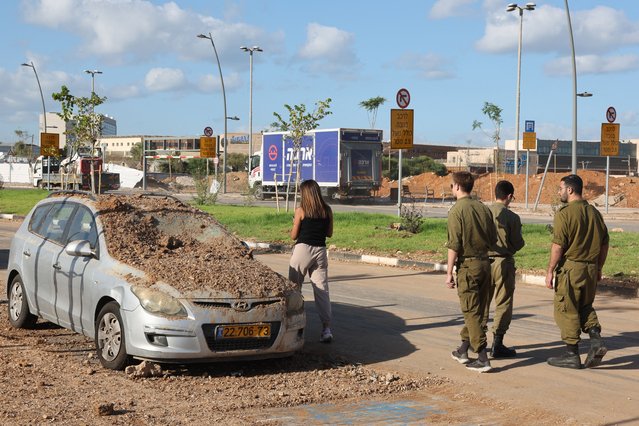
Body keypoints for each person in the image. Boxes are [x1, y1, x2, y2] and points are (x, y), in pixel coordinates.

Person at [545, 174, 609, 369]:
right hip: (590, 268)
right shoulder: (594, 213)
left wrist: (550, 270)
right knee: (585, 306)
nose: (559, 192)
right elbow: (605, 244)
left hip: (571, 268)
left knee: (567, 309)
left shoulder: (564, 214)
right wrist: (599, 267)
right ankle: (596, 339)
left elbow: (558, 246)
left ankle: (571, 354)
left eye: (560, 188)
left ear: (570, 190)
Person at [446, 171, 497, 372]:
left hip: (468, 266)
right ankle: (463, 349)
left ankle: (482, 356)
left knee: (471, 312)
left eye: (451, 186)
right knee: (478, 311)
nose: (451, 188)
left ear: (458, 187)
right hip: (486, 264)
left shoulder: (456, 211)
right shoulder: (483, 209)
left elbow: (454, 245)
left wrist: (449, 272)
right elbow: (493, 239)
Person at [482, 180, 525, 358]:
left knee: (481, 303)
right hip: (503, 263)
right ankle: (497, 343)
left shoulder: (482, 212)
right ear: (509, 196)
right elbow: (518, 243)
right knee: (503, 303)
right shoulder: (512, 217)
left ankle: (477, 340)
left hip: (482, 262)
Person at [289, 179, 334, 343]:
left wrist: (294, 226)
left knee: (294, 288)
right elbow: (329, 234)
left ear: (304, 193)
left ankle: (294, 326)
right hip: (320, 251)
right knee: (322, 291)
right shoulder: (327, 210)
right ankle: (326, 329)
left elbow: (294, 236)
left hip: (303, 250)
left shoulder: (300, 210)